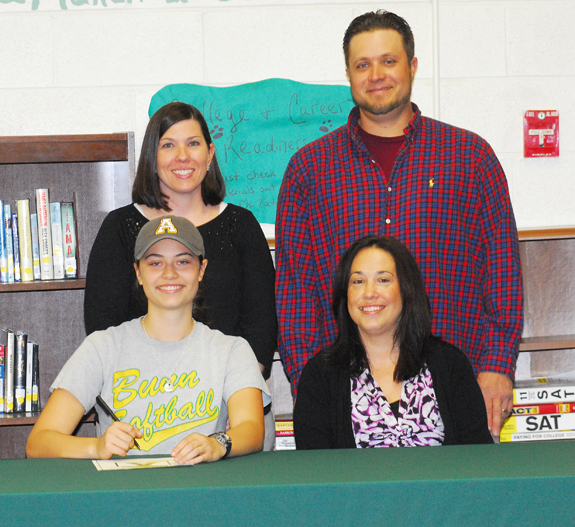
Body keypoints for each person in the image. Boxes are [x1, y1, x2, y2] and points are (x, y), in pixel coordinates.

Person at [276, 10, 523, 437]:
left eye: (388, 61)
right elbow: (296, 290)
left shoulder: (470, 158)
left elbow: (501, 269)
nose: (376, 75)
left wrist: (497, 367)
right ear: (349, 75)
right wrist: (310, 384)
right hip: (345, 400)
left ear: (411, 66)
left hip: (457, 389)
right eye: (362, 65)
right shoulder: (309, 171)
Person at [83, 102, 277, 448]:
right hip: (140, 412)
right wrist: (146, 407)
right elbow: (103, 326)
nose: (182, 156)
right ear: (151, 157)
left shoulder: (241, 225)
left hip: (229, 410)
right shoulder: (120, 228)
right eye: (168, 145)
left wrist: (237, 408)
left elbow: (261, 327)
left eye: (194, 143)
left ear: (210, 153)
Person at [27, 216, 270, 463]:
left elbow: (252, 429)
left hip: (202, 494)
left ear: (201, 270)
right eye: (155, 263)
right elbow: (39, 442)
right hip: (123, 495)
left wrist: (217, 444)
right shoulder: (102, 347)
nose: (170, 273)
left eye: (183, 261)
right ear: (138, 273)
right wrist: (97, 447)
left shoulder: (232, 350)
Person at [293, 236, 493, 449]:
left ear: (406, 290)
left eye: (383, 280)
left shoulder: (449, 364)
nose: (369, 293)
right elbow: (315, 471)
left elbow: (478, 458)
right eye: (358, 281)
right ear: (346, 294)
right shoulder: (319, 377)